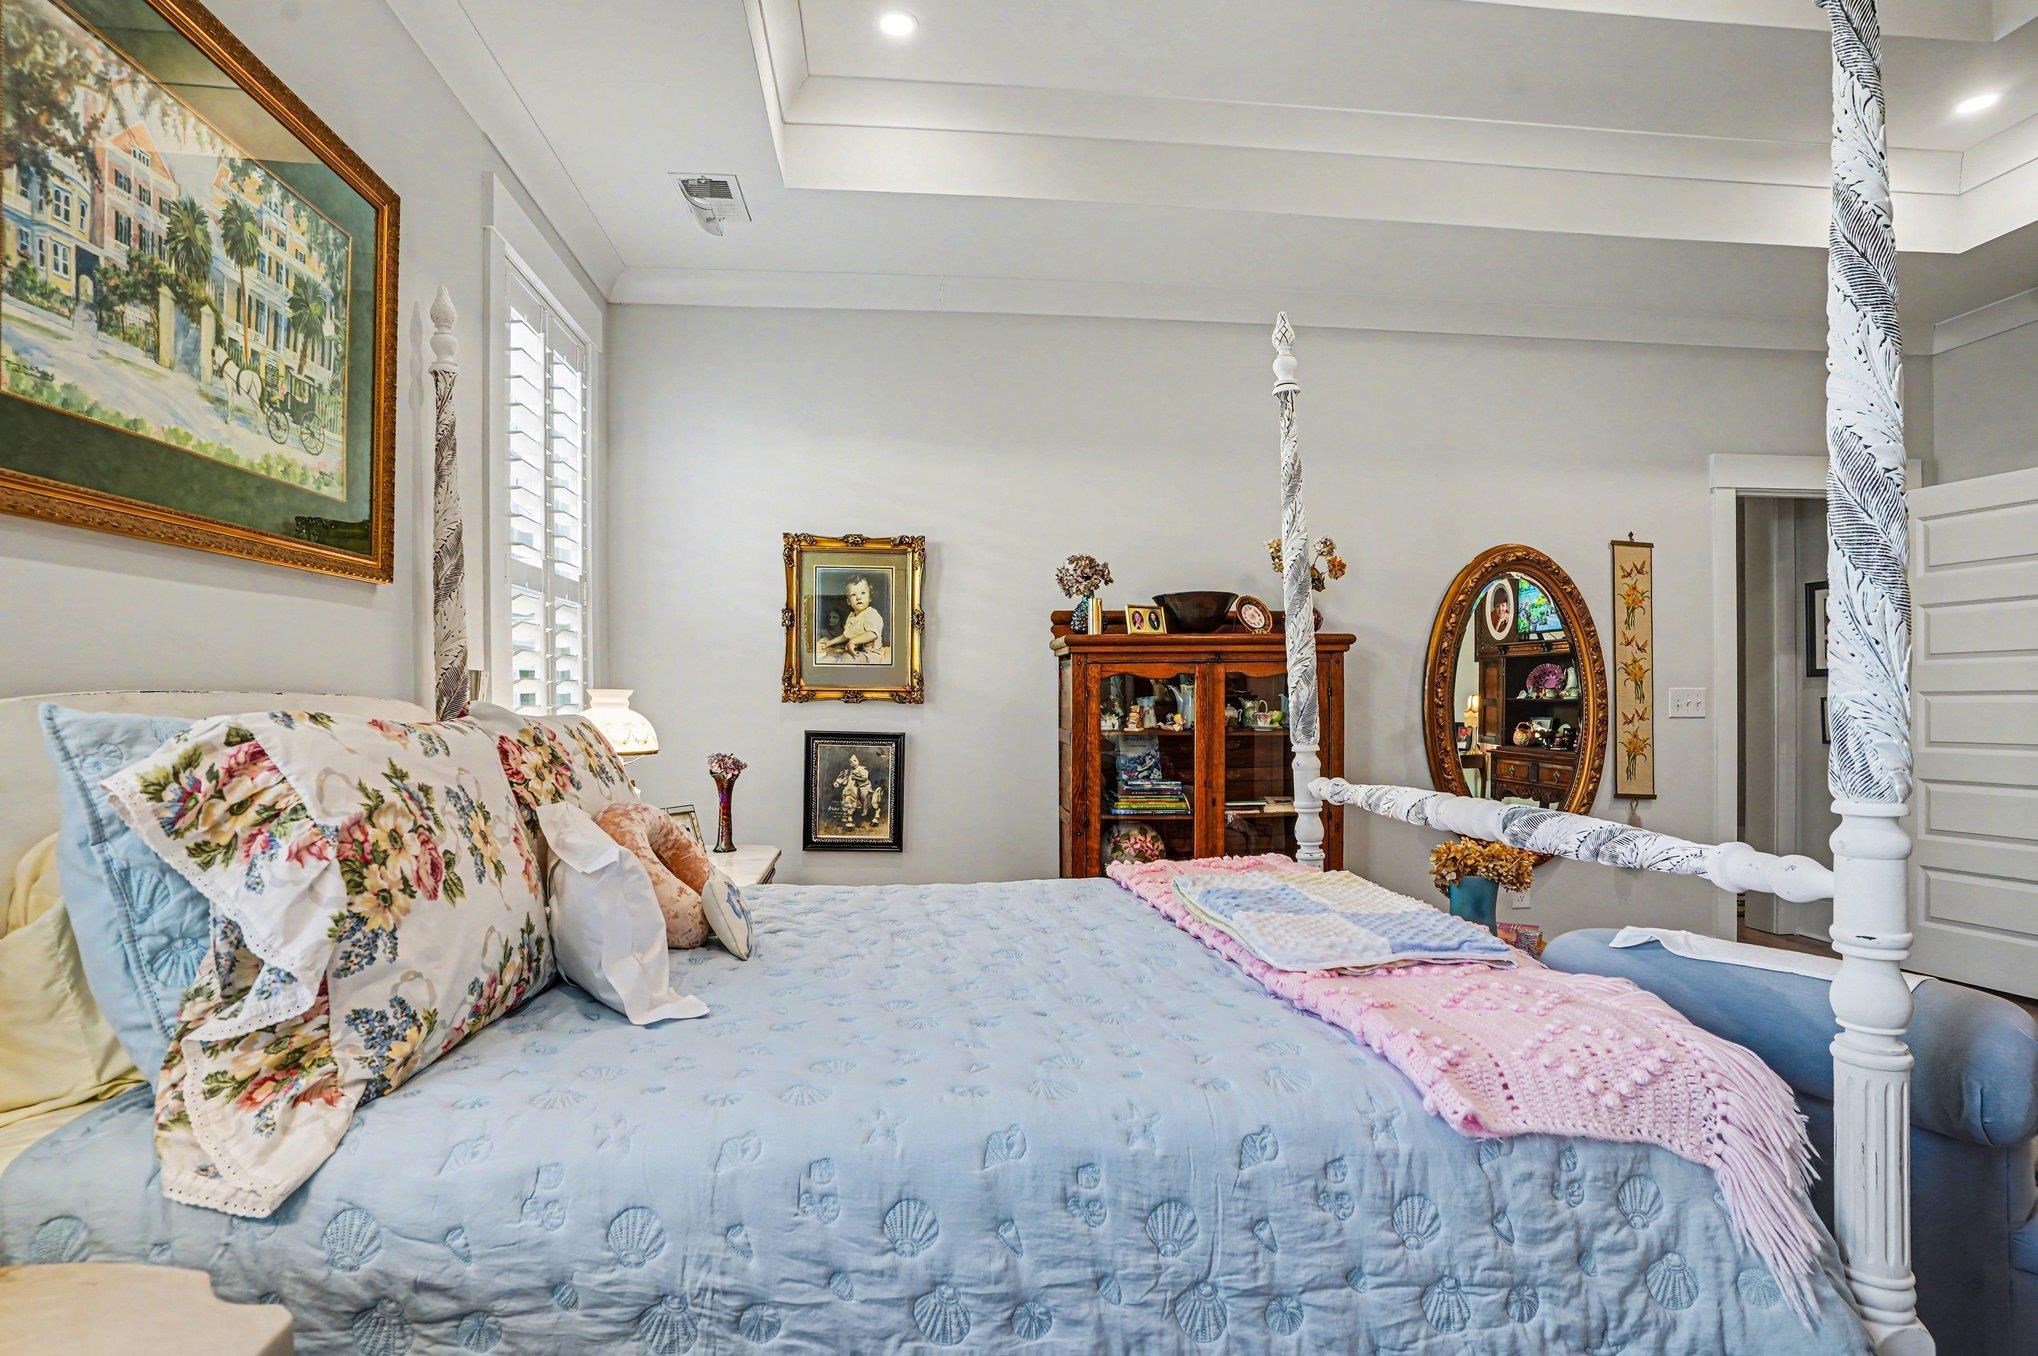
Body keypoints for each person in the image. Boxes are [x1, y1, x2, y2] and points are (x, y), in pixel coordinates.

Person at [818, 576, 888, 663]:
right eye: (853, 594)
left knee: (847, 658)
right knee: (831, 654)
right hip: (855, 649)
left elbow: (872, 634)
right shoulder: (851, 616)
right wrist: (830, 642)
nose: (858, 597)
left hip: (870, 653)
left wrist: (853, 641)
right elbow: (845, 635)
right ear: (848, 601)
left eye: (863, 593)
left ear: (870, 597)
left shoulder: (871, 613)